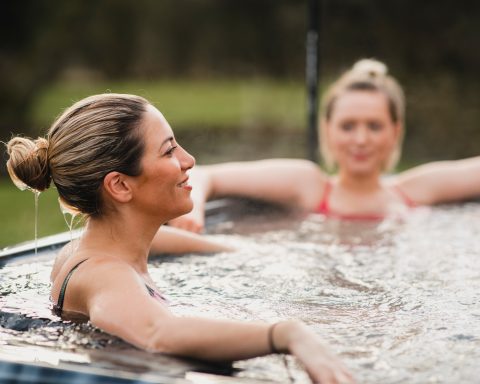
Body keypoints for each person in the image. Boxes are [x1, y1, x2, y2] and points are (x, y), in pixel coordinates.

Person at [6, 93, 354, 384]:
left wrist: (241, 251)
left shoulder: (88, 249)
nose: (189, 160)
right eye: (169, 151)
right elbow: (159, 333)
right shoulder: (103, 274)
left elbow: (159, 243)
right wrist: (285, 335)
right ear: (120, 186)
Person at [169, 59, 480, 231]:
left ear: (395, 132)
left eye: (374, 126)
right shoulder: (309, 185)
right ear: (327, 130)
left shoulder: (414, 190)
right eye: (348, 126)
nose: (361, 139)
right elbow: (206, 174)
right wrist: (194, 209)